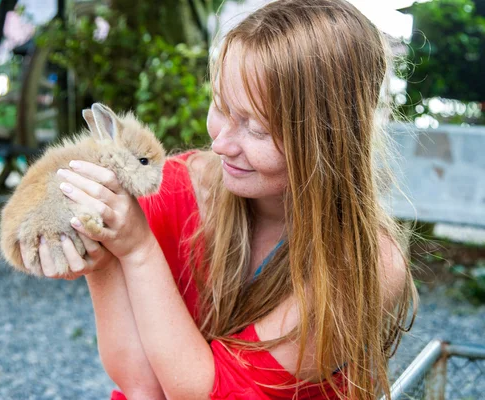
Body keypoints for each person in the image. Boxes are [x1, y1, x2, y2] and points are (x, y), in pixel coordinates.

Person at [21, 0, 418, 398]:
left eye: (257, 129)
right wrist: (102, 256)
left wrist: (139, 252)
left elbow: (213, 394)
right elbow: (139, 384)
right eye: (220, 106)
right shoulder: (174, 187)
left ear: (327, 139)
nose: (220, 143)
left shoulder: (364, 263)